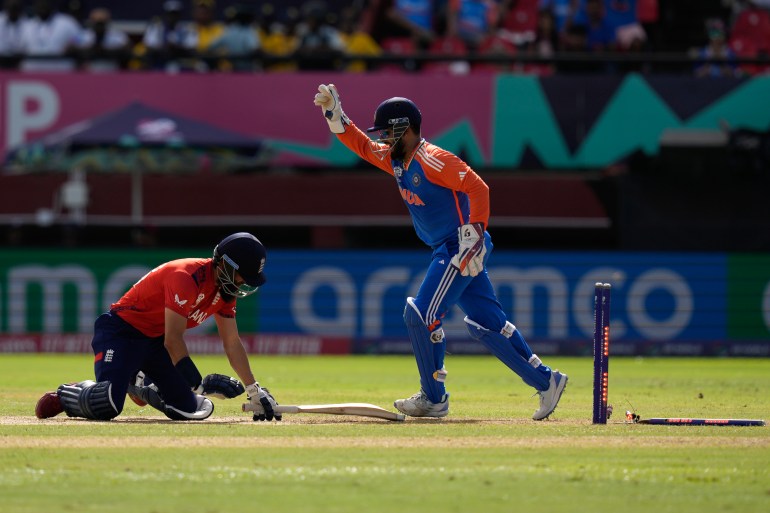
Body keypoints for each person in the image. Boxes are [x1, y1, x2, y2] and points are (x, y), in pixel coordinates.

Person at [312, 85, 568, 420]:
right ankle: (547, 381)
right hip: (447, 248)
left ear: (405, 127)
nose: (384, 140)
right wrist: (335, 115)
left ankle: (433, 398)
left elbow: (478, 187)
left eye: (389, 132)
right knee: (486, 324)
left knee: (420, 315)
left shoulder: (432, 159)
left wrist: (473, 235)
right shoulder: (398, 162)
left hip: (458, 248)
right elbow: (362, 145)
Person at [35, 232, 281, 422]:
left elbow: (231, 342)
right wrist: (199, 385)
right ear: (225, 265)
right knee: (108, 403)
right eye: (242, 275)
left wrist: (254, 389)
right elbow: (173, 340)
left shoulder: (226, 293)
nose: (243, 283)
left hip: (152, 342)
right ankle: (69, 394)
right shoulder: (185, 277)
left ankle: (138, 382)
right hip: (120, 333)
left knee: (191, 409)